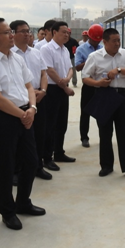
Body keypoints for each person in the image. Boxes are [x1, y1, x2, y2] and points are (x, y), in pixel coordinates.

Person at [0, 18, 45, 231]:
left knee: (31, 161)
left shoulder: (16, 58)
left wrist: (31, 109)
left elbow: (29, 86)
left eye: (11, 31)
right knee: (7, 166)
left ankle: (23, 202)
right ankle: (7, 211)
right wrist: (23, 115)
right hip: (3, 118)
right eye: (7, 32)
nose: (12, 35)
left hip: (25, 113)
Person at [82, 28, 125, 180]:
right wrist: (98, 83)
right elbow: (85, 77)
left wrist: (119, 70)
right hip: (104, 95)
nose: (117, 43)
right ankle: (106, 165)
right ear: (104, 42)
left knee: (124, 133)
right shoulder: (94, 57)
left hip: (122, 96)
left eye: (119, 40)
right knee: (105, 133)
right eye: (114, 41)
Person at [11, 20, 51, 181]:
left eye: (28, 31)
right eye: (23, 31)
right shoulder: (10, 55)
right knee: (19, 137)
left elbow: (43, 74)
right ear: (13, 34)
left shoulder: (36, 52)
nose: (27, 34)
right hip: (20, 100)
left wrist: (43, 91)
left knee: (40, 134)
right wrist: (29, 93)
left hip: (39, 98)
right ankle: (16, 170)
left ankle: (37, 167)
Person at [40, 21, 76, 170]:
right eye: (63, 32)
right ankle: (47, 157)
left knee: (62, 123)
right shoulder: (46, 49)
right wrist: (65, 86)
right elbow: (49, 70)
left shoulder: (65, 49)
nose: (66, 35)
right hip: (52, 90)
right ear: (54, 32)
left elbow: (70, 68)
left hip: (62, 87)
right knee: (50, 125)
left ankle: (59, 152)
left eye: (67, 32)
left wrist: (67, 79)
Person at [75, 24, 103, 148]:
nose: (96, 42)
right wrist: (91, 60)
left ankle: (103, 136)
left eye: (98, 40)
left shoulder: (103, 48)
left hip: (101, 85)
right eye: (94, 40)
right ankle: (84, 137)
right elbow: (77, 67)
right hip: (88, 84)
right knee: (85, 112)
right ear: (89, 37)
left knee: (102, 112)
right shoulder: (81, 49)